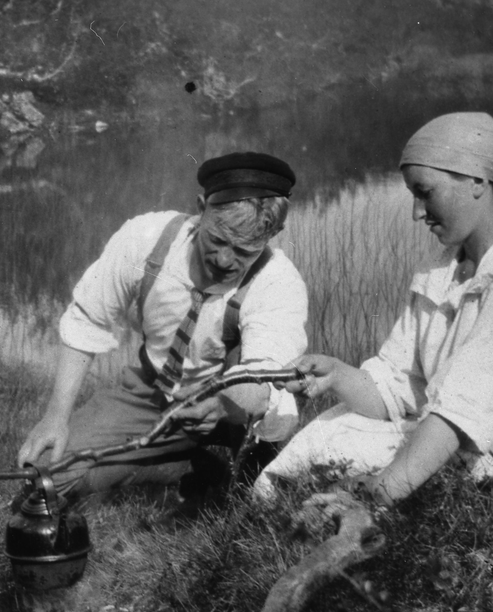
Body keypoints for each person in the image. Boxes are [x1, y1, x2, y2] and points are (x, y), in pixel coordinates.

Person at [253, 112, 493, 506]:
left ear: (477, 181)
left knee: (359, 466)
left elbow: (463, 412)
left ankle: (358, 504)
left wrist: (378, 494)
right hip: (456, 434)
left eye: (425, 192)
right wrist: (336, 375)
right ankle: (275, 509)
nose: (416, 212)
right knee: (330, 429)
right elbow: (400, 388)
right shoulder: (442, 270)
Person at [17, 152, 309, 502]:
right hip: (152, 396)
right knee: (44, 476)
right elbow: (88, 318)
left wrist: (219, 404)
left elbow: (264, 380)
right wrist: (55, 416)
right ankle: (179, 463)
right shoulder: (147, 237)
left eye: (244, 251)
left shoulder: (279, 283)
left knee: (256, 501)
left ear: (272, 235)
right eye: (216, 240)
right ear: (201, 208)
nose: (224, 260)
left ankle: (244, 474)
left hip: (233, 410)